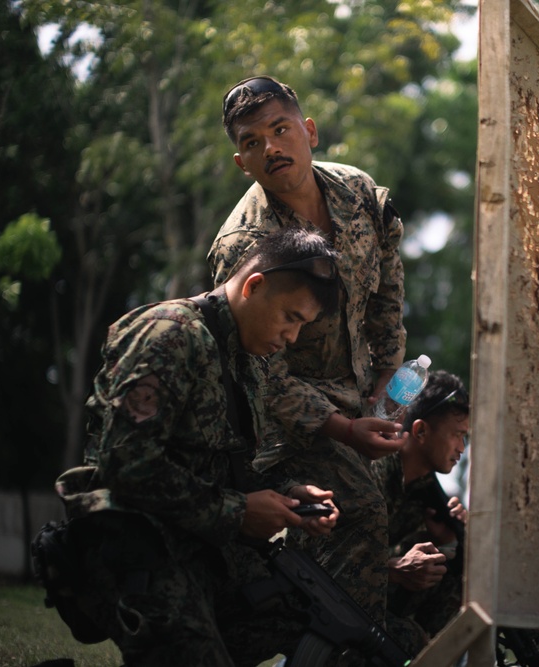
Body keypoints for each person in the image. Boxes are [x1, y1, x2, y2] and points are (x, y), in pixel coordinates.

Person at [54, 227, 342, 667]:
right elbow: (125, 462)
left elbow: (222, 464)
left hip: (200, 547)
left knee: (318, 626)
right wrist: (239, 512)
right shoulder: (169, 334)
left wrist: (287, 495)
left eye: (302, 325)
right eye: (291, 317)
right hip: (135, 543)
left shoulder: (243, 359)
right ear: (254, 285)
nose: (292, 338)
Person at [207, 76, 410, 642]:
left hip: (363, 397)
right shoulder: (245, 244)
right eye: (251, 142)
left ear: (309, 132)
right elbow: (259, 372)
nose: (270, 148)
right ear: (241, 162)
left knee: (367, 521)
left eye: (280, 130)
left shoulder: (358, 192)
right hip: (284, 422)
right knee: (361, 514)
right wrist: (344, 428)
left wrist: (387, 378)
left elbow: (388, 288)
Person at [370, 370, 470, 642]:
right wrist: (394, 569)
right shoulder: (372, 469)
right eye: (457, 435)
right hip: (316, 595)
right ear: (421, 430)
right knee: (408, 640)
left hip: (372, 610)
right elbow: (326, 558)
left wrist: (449, 542)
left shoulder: (429, 498)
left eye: (466, 438)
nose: (462, 448)